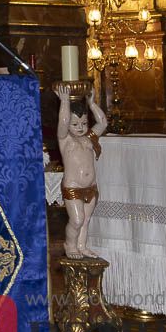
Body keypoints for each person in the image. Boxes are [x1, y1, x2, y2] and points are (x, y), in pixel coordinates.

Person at [55, 84, 108, 259]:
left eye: (84, 123)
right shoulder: (66, 140)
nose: (80, 127)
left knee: (85, 221)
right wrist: (64, 102)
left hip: (91, 187)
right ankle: (70, 245)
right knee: (76, 220)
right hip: (73, 187)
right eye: (75, 123)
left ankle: (81, 245)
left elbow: (102, 122)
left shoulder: (89, 138)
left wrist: (92, 104)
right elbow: (62, 124)